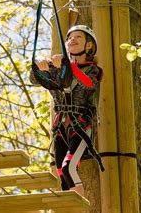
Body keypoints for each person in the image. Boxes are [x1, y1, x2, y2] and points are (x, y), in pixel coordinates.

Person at [30, 25, 103, 195]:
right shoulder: (58, 70)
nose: (72, 40)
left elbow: (88, 83)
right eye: (70, 38)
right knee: (62, 174)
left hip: (81, 125)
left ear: (89, 45)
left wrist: (69, 66)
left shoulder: (93, 70)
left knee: (68, 167)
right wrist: (40, 66)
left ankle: (80, 207)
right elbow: (35, 79)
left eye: (78, 37)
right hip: (61, 127)